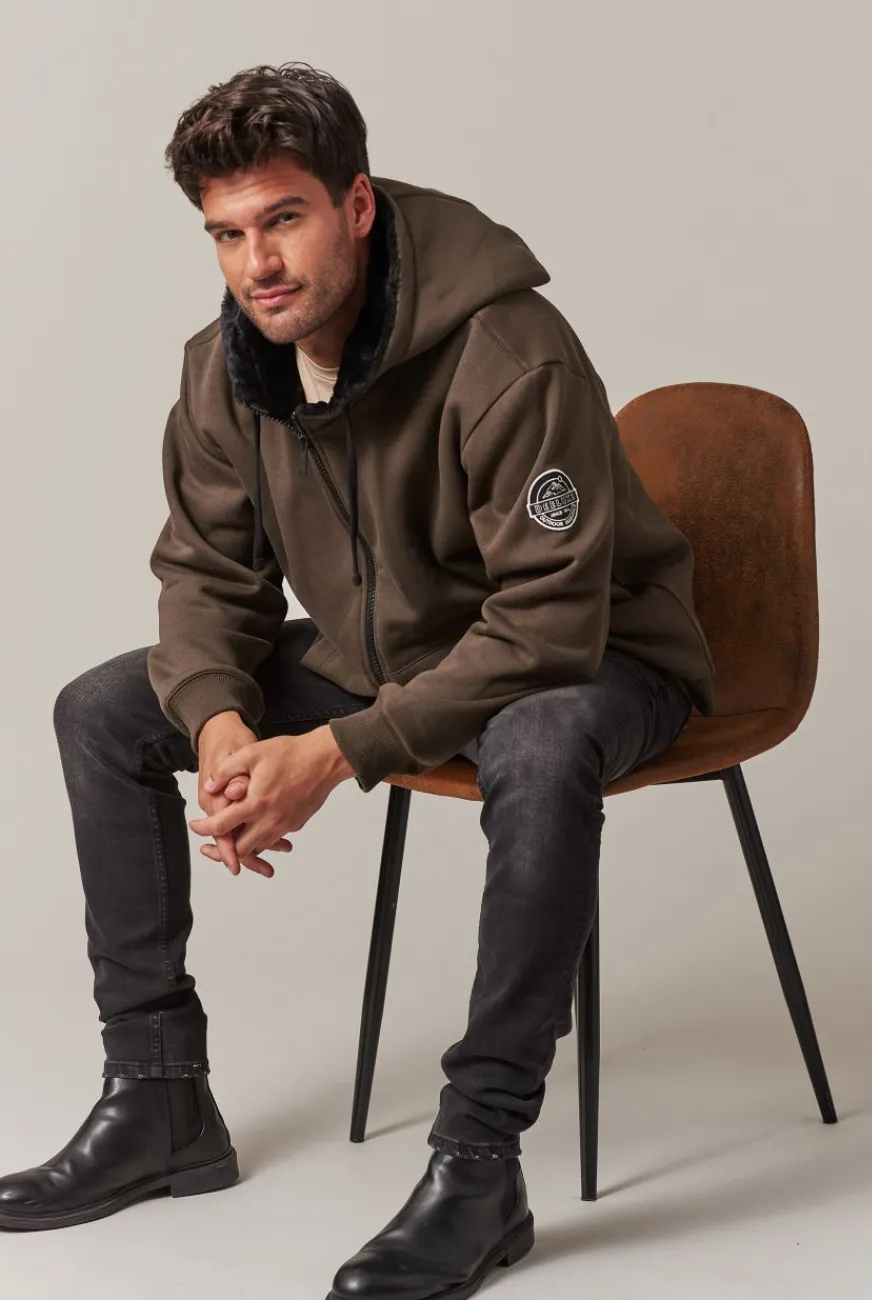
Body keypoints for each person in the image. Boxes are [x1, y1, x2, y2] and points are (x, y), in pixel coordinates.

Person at [0, 61, 714, 1298]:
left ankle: (479, 1163)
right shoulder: (226, 369)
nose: (258, 263)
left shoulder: (511, 352)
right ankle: (161, 1099)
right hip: (390, 656)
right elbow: (205, 575)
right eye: (227, 234)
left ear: (359, 204)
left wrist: (333, 755)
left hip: (601, 652)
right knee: (104, 710)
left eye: (284, 219)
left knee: (542, 739)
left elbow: (549, 623)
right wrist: (222, 726)